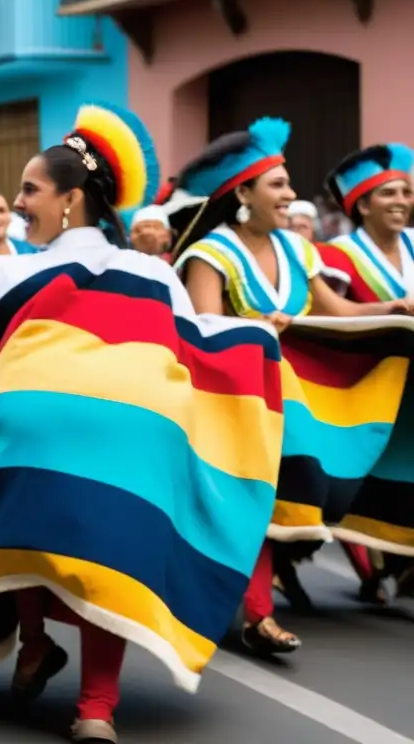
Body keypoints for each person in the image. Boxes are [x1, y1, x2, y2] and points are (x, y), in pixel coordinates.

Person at [0, 102, 282, 744]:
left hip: (30, 423)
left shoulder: (10, 268)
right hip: (137, 424)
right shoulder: (153, 271)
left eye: (29, 191)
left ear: (69, 200)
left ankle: (34, 641)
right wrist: (258, 340)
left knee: (18, 512)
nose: (17, 204)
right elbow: (198, 340)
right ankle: (96, 708)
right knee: (106, 552)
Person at [173, 118, 414, 656]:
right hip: (234, 400)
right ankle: (258, 614)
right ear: (242, 193)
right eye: (278, 184)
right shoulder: (210, 254)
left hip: (292, 401)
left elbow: (341, 313)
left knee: (289, 491)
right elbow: (202, 329)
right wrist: (257, 327)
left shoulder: (298, 252)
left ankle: (267, 602)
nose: (291, 194)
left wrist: (391, 309)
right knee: (265, 496)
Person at [319, 143, 414, 602]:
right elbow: (324, 320)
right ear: (361, 204)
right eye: (388, 193)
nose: (401, 200)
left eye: (406, 191)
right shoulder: (337, 256)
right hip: (359, 389)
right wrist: (388, 310)